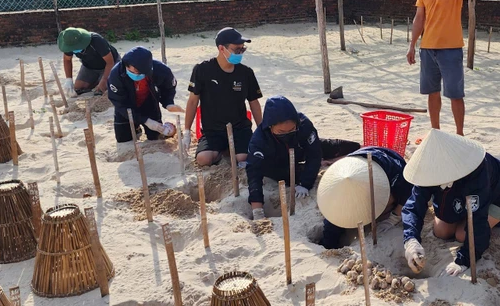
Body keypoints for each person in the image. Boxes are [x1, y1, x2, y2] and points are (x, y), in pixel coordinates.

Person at [401, 129, 500, 276]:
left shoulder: (476, 172)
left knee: (462, 235)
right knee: (441, 232)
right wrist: (411, 240)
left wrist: (464, 260)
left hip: (498, 195)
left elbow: (478, 218)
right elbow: (413, 205)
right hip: (457, 194)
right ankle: (460, 214)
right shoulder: (428, 167)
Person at [247, 96, 360, 220]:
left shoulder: (304, 124)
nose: (286, 134)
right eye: (281, 132)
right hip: (276, 163)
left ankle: (345, 154)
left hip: (300, 150)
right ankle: (318, 165)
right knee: (292, 176)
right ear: (270, 127)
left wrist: (306, 184)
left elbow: (314, 153)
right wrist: (257, 208)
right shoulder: (259, 140)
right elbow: (254, 172)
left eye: (291, 129)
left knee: (341, 147)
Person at [407, 0, 474, 136]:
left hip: (451, 49)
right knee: (432, 92)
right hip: (427, 48)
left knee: (455, 94)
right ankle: (435, 132)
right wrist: (412, 45)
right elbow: (419, 17)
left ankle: (460, 134)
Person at [181, 27, 262, 167]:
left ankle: (232, 150)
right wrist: (187, 131)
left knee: (243, 158)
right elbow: (193, 101)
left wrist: (262, 130)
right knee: (203, 159)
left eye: (243, 49)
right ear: (221, 48)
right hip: (213, 130)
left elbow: (254, 102)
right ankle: (223, 151)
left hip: (240, 128)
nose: (240, 52)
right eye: (237, 49)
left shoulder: (246, 72)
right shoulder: (202, 70)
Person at [317, 146, 412, 249]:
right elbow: (332, 216)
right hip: (359, 160)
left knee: (384, 204)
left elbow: (408, 194)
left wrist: (394, 218)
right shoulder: (338, 183)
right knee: (333, 227)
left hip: (388, 163)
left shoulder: (398, 174)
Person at [106, 47, 182, 146]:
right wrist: (145, 121)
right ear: (127, 66)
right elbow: (119, 103)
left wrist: (168, 103)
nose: (137, 75)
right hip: (127, 107)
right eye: (134, 71)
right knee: (123, 139)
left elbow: (168, 88)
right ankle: (136, 127)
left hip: (149, 103)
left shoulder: (161, 70)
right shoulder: (116, 74)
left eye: (141, 72)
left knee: (155, 136)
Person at [57, 27, 120, 95]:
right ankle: (97, 81)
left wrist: (104, 80)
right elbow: (67, 60)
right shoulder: (68, 44)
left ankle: (101, 80)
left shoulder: (96, 40)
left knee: (104, 89)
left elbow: (110, 63)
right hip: (90, 67)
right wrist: (69, 79)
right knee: (78, 88)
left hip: (110, 64)